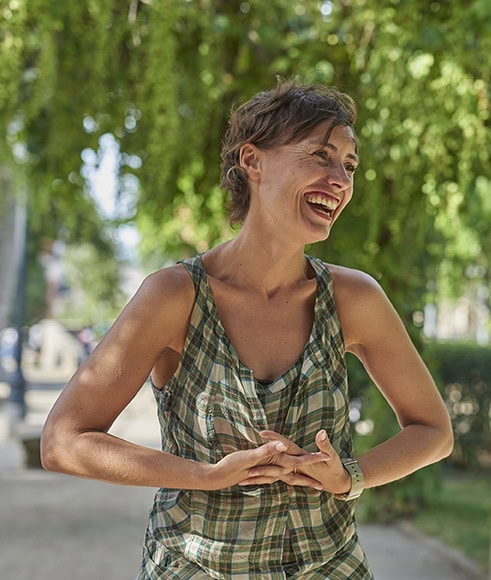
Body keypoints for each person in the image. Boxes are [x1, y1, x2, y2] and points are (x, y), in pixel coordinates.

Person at [41, 79, 453, 579]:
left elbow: (434, 432)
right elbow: (63, 441)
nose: (340, 179)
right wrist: (204, 476)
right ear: (253, 162)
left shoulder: (353, 299)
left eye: (348, 165)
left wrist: (350, 477)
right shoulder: (175, 296)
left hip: (330, 567)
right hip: (195, 567)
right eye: (321, 156)